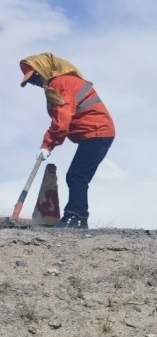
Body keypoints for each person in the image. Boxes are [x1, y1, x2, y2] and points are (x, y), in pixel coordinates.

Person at [20, 53, 116, 230]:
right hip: (96, 133)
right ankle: (80, 219)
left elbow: (62, 120)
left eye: (34, 77)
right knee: (77, 176)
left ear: (44, 69)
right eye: (31, 81)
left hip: (96, 132)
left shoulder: (60, 84)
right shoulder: (62, 82)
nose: (34, 83)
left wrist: (47, 145)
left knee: (76, 176)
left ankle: (73, 217)